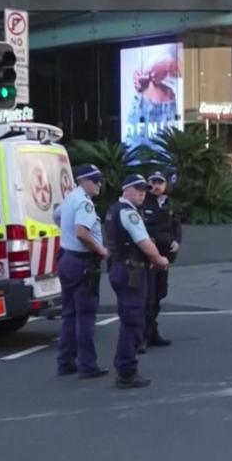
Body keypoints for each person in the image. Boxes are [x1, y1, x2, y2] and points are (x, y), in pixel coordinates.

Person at [104, 174, 171, 389]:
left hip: (119, 267)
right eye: (138, 189)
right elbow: (144, 243)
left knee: (129, 318)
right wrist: (160, 259)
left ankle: (126, 366)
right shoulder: (128, 213)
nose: (143, 192)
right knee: (133, 321)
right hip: (131, 270)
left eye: (145, 189)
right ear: (126, 189)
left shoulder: (114, 209)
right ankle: (126, 371)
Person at [56, 165, 110, 379]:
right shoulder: (84, 203)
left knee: (69, 314)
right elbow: (82, 233)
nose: (99, 184)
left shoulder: (70, 198)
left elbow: (56, 216)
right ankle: (88, 365)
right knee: (85, 316)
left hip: (67, 259)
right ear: (84, 181)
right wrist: (101, 250)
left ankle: (66, 361)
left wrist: (66, 234)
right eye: (95, 180)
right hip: (83, 263)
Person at [140, 170, 182, 351]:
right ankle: (141, 337)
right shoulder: (143, 203)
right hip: (148, 259)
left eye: (160, 182)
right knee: (147, 298)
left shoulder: (169, 204)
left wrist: (177, 242)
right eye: (153, 182)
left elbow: (176, 226)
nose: (156, 186)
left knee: (158, 296)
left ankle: (152, 333)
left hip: (164, 258)